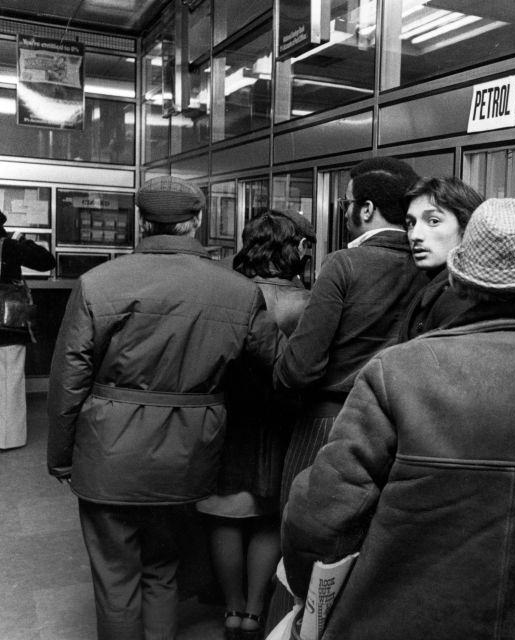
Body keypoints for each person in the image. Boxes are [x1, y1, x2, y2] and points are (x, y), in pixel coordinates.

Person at [281, 198, 515, 640]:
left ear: (458, 281)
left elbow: (321, 515)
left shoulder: (397, 372)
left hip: (396, 623)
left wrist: (308, 595)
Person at [47, 175, 280, 640]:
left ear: (142, 221)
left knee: (115, 576)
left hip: (108, 454)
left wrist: (61, 458)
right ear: (197, 220)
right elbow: (277, 367)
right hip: (190, 454)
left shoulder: (97, 284)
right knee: (165, 567)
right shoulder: (238, 290)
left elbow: (68, 380)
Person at [273, 156, 427, 501]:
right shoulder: (427, 267)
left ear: (367, 209)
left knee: (306, 521)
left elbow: (299, 368)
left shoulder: (343, 264)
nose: (344, 213)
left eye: (347, 203)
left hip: (329, 424)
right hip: (400, 431)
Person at [195, 209, 314, 640]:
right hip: (284, 420)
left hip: (227, 417)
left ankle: (231, 609)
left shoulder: (226, 295)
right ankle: (254, 612)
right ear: (296, 248)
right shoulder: (310, 302)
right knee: (268, 516)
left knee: (224, 515)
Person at [399, 176, 483, 339]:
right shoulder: (436, 285)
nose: (415, 235)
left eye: (433, 221)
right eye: (411, 223)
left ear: (466, 226)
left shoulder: (462, 295)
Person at [0, 211, 55, 450]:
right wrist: (22, 240)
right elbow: (47, 262)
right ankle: (8, 439)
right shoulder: (9, 246)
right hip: (8, 324)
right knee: (9, 379)